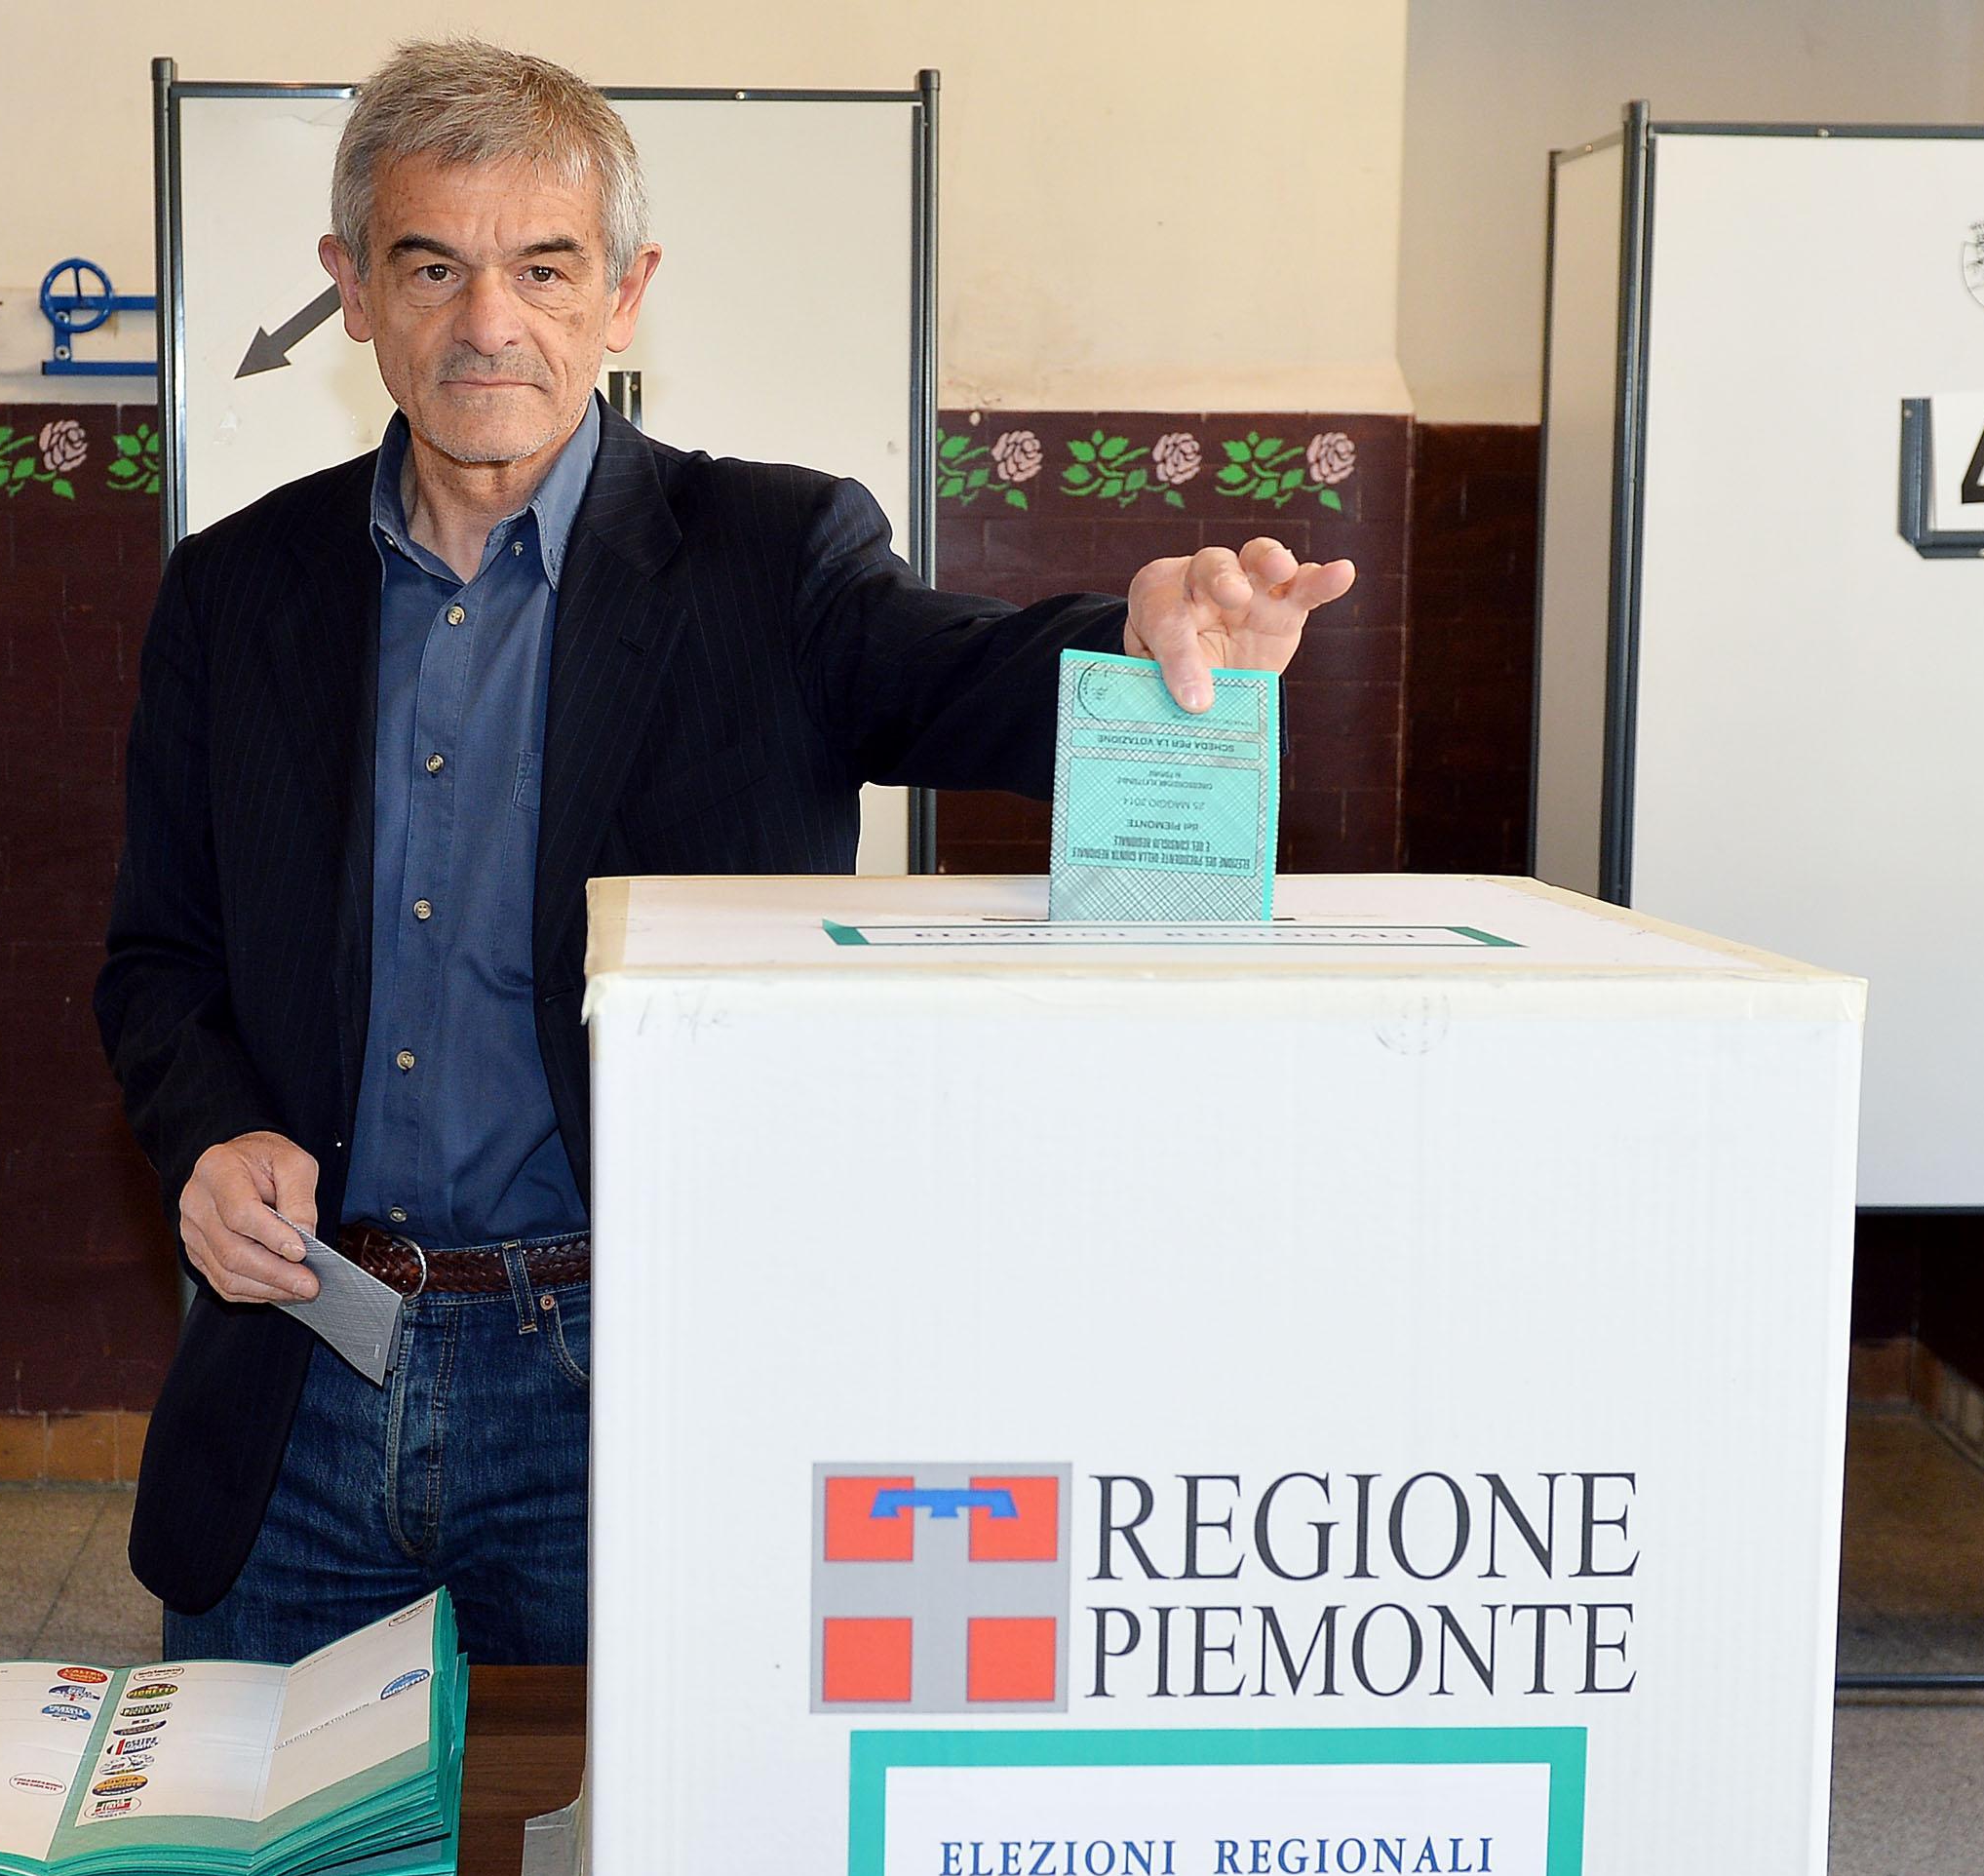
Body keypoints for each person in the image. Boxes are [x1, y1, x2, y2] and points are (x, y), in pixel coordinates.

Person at [96, 38, 1354, 1667]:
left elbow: (961, 677)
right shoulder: (234, 591)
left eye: (545, 268)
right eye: (432, 265)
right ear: (351, 289)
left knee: (617, 1831)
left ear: (624, 295)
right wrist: (208, 1137)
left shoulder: (771, 554)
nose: (489, 324)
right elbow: (160, 962)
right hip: (302, 1373)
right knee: (258, 1828)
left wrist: (1138, 639)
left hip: (626, 1373)